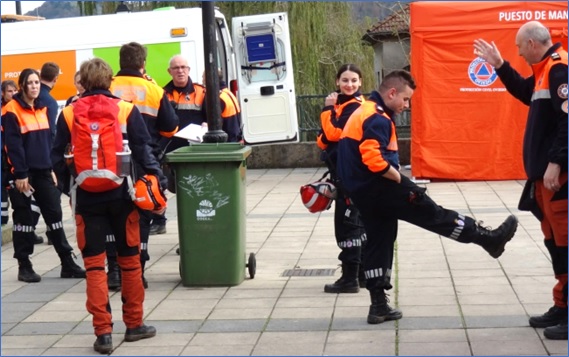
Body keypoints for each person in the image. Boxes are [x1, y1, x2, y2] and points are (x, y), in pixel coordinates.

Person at [336, 69, 519, 325]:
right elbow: (374, 161)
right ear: (391, 93)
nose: (406, 106)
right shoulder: (377, 118)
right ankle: (488, 239)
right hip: (382, 188)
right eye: (405, 99)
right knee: (434, 214)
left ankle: (378, 305)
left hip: (363, 194)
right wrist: (403, 181)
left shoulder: (364, 110)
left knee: (379, 241)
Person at [51, 58, 160, 354]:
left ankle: (103, 334)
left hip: (86, 198)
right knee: (129, 261)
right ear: (110, 80)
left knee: (95, 266)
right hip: (122, 196)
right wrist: (156, 179)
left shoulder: (70, 112)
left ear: (83, 82)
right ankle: (135, 325)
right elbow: (143, 149)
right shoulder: (125, 109)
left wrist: (69, 187)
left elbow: (56, 156)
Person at [473, 21, 568, 340]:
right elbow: (526, 93)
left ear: (531, 43)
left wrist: (556, 161)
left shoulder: (559, 69)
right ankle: (562, 305)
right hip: (545, 179)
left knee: (566, 242)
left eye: (517, 47)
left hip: (559, 177)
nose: (516, 51)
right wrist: (500, 65)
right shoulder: (544, 71)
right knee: (555, 243)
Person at [2, 68, 86, 283]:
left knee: (54, 214)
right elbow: (13, 146)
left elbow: (47, 143)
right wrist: (20, 174)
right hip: (22, 174)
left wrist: (50, 169)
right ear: (22, 85)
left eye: (37, 82)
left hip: (43, 171)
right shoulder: (11, 111)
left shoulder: (42, 108)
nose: (34, 86)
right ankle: (24, 264)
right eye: (29, 83)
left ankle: (66, 261)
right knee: (24, 218)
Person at [110, 42, 179, 289]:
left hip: (112, 161)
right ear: (143, 63)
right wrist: (156, 151)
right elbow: (171, 127)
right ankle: (137, 270)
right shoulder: (153, 90)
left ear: (120, 61)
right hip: (143, 161)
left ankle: (114, 271)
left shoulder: (107, 87)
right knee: (142, 216)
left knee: (113, 216)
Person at [316, 64, 367, 293]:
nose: (350, 85)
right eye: (345, 80)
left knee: (348, 227)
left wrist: (327, 110)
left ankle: (349, 279)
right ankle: (363, 274)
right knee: (358, 224)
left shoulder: (352, 106)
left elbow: (332, 134)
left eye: (354, 80)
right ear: (338, 82)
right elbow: (324, 140)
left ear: (361, 83)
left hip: (350, 176)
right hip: (349, 174)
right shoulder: (345, 105)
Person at [1, 80, 44, 245]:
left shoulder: (21, 109)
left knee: (31, 204)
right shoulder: (8, 112)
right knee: (17, 206)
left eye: (14, 91)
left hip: (26, 166)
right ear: (3, 94)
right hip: (9, 165)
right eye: (8, 91)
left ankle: (29, 232)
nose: (12, 94)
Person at [38, 62, 60, 144]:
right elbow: (51, 131)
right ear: (55, 79)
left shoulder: (27, 94)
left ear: (40, 75)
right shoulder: (50, 102)